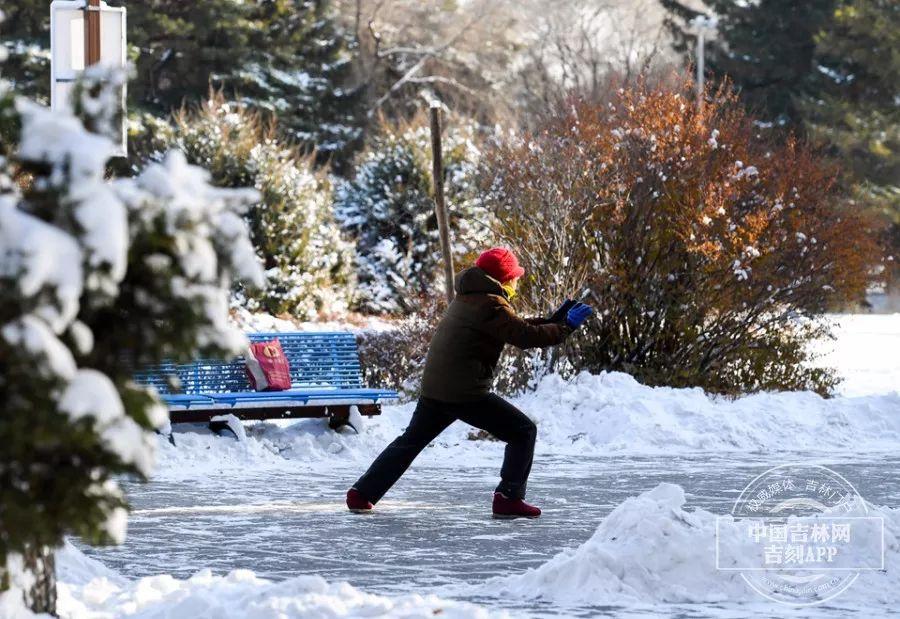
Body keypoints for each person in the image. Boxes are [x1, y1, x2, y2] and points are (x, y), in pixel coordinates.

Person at [346, 247, 593, 519]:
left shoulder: (471, 297)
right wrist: (565, 327)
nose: (517, 281)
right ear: (504, 278)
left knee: (411, 441)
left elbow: (514, 327)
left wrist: (554, 321)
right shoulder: (491, 303)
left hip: (437, 387)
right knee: (523, 431)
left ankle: (362, 493)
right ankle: (508, 498)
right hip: (463, 391)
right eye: (515, 276)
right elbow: (523, 336)